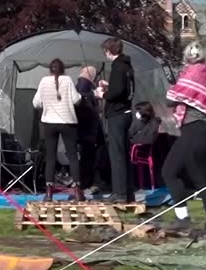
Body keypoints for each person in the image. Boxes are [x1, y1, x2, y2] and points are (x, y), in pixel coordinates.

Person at [161, 41, 206, 236]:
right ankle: (186, 219)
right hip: (203, 131)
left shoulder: (193, 73)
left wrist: (174, 87)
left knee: (197, 179)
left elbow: (170, 99)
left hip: (196, 130)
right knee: (173, 172)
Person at [33, 58, 83, 201]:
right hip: (68, 122)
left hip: (49, 123)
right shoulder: (67, 80)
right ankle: (78, 191)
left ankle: (49, 193)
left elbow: (36, 103)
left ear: (50, 69)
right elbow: (75, 100)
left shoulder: (43, 81)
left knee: (50, 157)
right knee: (73, 156)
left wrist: (47, 105)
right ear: (63, 69)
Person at [96, 37, 135, 203]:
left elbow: (117, 93)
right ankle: (128, 192)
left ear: (108, 51)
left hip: (117, 115)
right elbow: (124, 89)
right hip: (126, 112)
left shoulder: (118, 67)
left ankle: (119, 193)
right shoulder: (127, 66)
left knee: (117, 155)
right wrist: (109, 85)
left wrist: (102, 94)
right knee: (124, 154)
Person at [74, 65, 103, 193]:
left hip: (85, 125)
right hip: (87, 125)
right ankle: (86, 182)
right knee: (88, 155)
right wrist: (94, 95)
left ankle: (87, 181)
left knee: (87, 154)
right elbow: (83, 99)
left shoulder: (81, 84)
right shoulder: (84, 84)